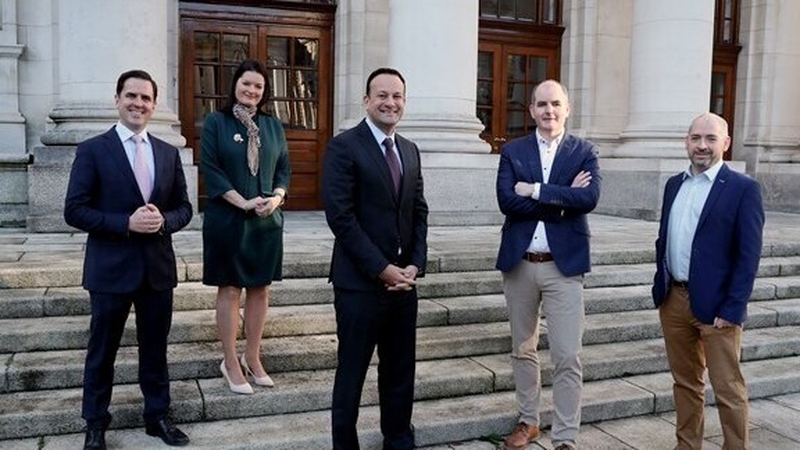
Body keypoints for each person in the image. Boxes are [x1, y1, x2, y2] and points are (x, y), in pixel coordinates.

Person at [64, 69, 193, 449]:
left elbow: (185, 208)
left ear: (154, 105)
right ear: (117, 99)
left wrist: (162, 222)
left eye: (146, 98)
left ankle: (157, 417)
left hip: (157, 270)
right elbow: (74, 210)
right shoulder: (92, 149)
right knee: (101, 351)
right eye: (131, 96)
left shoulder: (168, 153)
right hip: (110, 270)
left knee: (156, 349)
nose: (139, 104)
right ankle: (95, 424)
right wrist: (126, 223)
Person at [322, 67, 428, 450]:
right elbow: (341, 217)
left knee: (400, 372)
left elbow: (419, 211)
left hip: (404, 285)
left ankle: (398, 439)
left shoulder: (410, 150)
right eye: (382, 95)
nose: (390, 102)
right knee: (351, 374)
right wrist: (382, 269)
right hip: (360, 286)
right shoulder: (344, 146)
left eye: (397, 96)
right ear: (366, 100)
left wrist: (415, 264)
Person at [495, 79, 601, 450]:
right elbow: (508, 202)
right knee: (523, 349)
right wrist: (562, 199)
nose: (549, 111)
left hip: (563, 266)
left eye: (555, 104)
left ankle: (566, 436)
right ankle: (528, 421)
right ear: (532, 110)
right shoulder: (514, 151)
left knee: (567, 354)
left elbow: (588, 198)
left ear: (567, 108)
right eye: (541, 104)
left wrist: (537, 190)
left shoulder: (584, 151)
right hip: (520, 264)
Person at [652, 112, 764, 450]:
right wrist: (662, 287)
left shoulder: (743, 189)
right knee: (685, 384)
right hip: (674, 299)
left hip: (718, 307)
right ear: (686, 141)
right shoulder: (674, 184)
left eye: (710, 139)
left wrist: (733, 307)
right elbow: (664, 238)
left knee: (728, 389)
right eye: (696, 138)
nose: (702, 145)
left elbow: (748, 256)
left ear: (726, 143)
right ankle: (687, 445)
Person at [201, 59, 291, 395]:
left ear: (264, 92)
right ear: (235, 84)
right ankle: (230, 361)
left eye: (258, 86)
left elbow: (283, 169)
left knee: (260, 289)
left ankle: (253, 356)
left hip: (266, 220)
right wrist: (242, 202)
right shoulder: (216, 122)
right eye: (246, 84)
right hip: (227, 219)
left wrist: (277, 198)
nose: (251, 90)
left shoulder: (272, 126)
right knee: (229, 289)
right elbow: (210, 169)